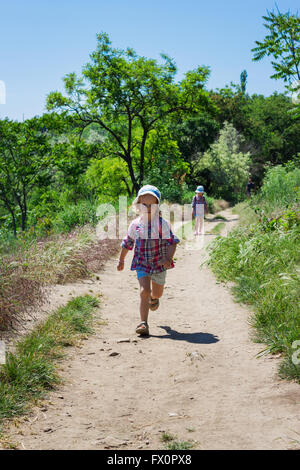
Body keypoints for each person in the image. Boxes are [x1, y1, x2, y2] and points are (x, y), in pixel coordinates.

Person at [117, 185, 180, 336]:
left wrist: (167, 258)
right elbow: (128, 243)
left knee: (156, 293)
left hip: (159, 263)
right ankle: (143, 323)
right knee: (144, 291)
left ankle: (154, 298)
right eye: (144, 204)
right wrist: (121, 260)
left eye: (152, 205)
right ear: (138, 205)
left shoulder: (162, 224)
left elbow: (172, 242)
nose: (148, 208)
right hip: (142, 263)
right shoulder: (135, 224)